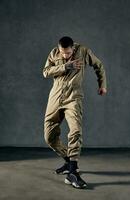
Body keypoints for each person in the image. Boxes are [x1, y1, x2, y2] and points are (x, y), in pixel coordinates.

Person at [42, 36, 107, 189]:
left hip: (73, 98)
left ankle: (73, 171)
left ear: (73, 48)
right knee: (49, 137)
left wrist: (102, 84)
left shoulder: (84, 51)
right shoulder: (53, 53)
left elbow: (99, 65)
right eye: (63, 53)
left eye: (68, 53)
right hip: (55, 97)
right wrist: (65, 66)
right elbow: (45, 72)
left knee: (76, 130)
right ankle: (68, 161)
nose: (65, 56)